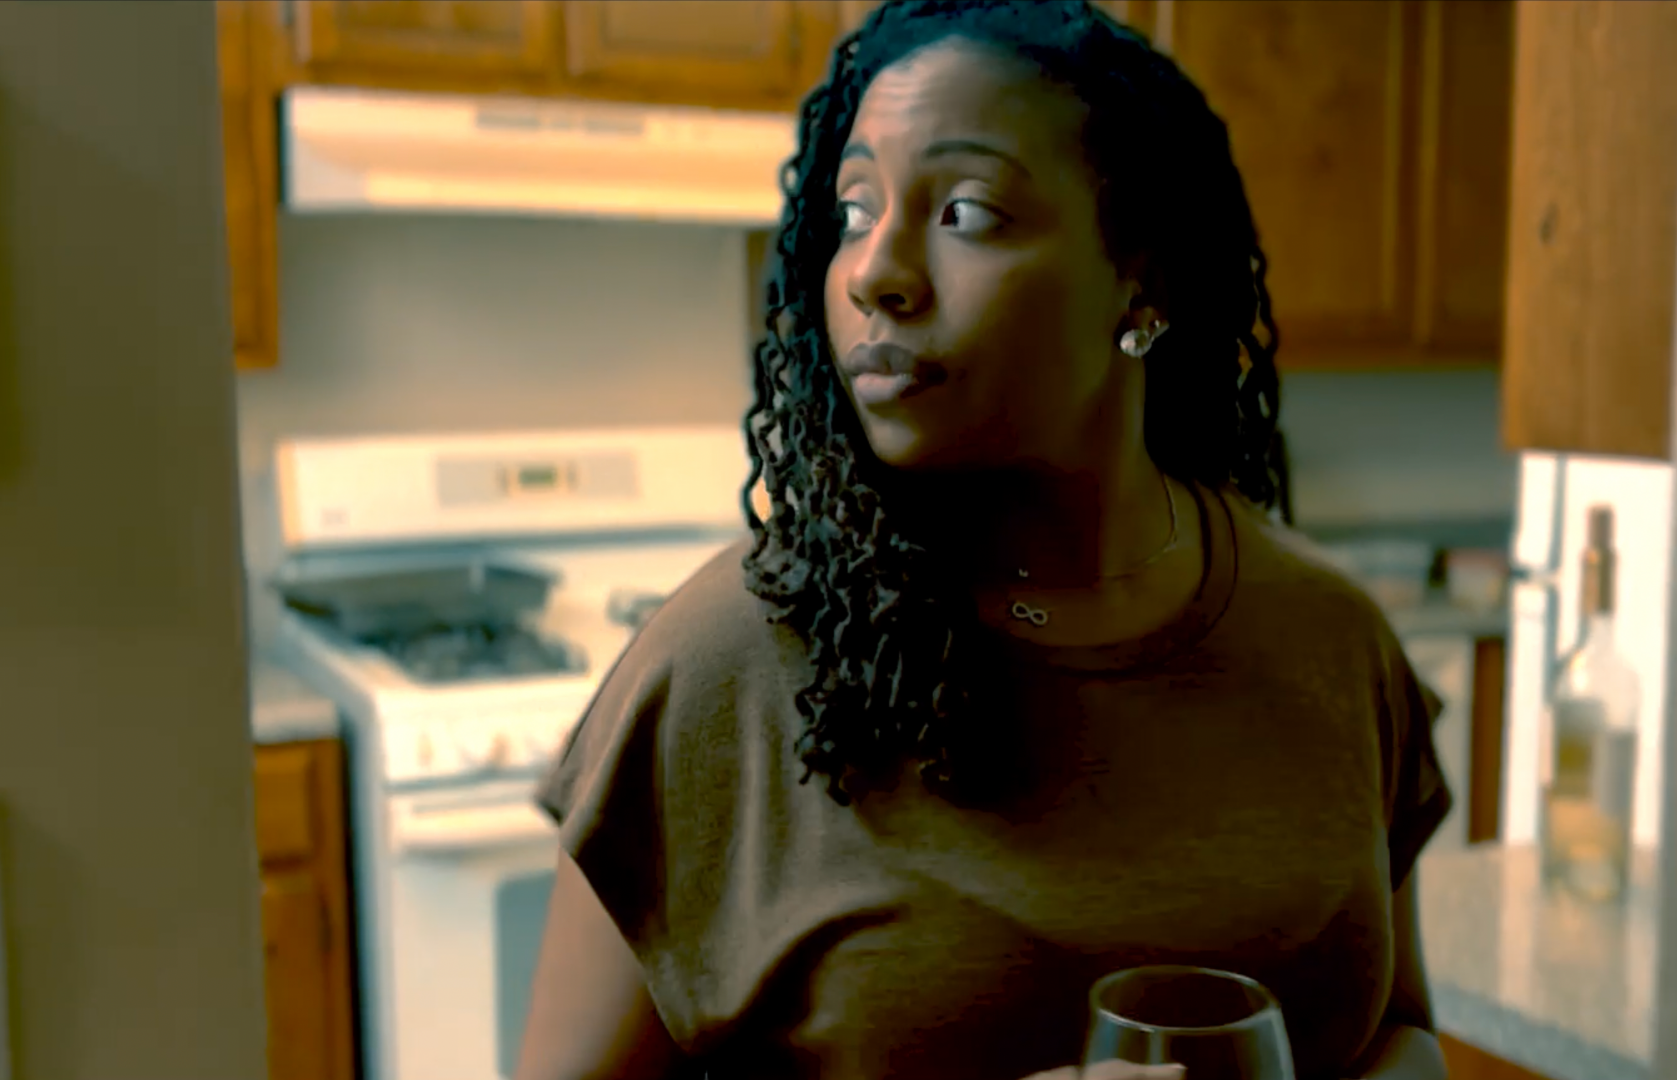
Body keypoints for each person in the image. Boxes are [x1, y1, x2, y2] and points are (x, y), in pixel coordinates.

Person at [520, 2, 1453, 1078]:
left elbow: (1400, 1035)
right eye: (854, 211)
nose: (875, 272)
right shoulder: (721, 670)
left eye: (965, 212)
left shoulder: (1333, 639)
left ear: (1142, 279)